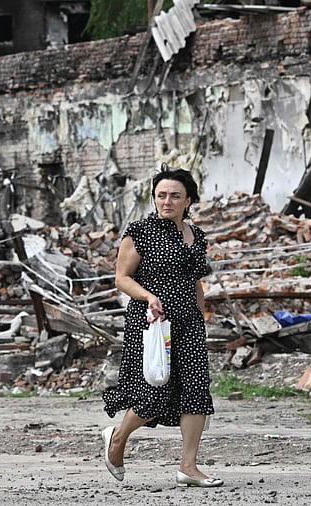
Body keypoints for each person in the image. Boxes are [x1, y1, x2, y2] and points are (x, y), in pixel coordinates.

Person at [101, 166, 222, 487]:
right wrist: (149, 297)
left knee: (197, 391)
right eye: (161, 195)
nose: (167, 201)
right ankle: (117, 437)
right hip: (152, 323)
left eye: (175, 196)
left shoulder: (196, 236)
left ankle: (188, 466)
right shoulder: (140, 231)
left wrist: (201, 317)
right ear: (154, 198)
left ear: (189, 200)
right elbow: (122, 278)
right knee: (155, 392)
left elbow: (195, 280)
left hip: (189, 324)